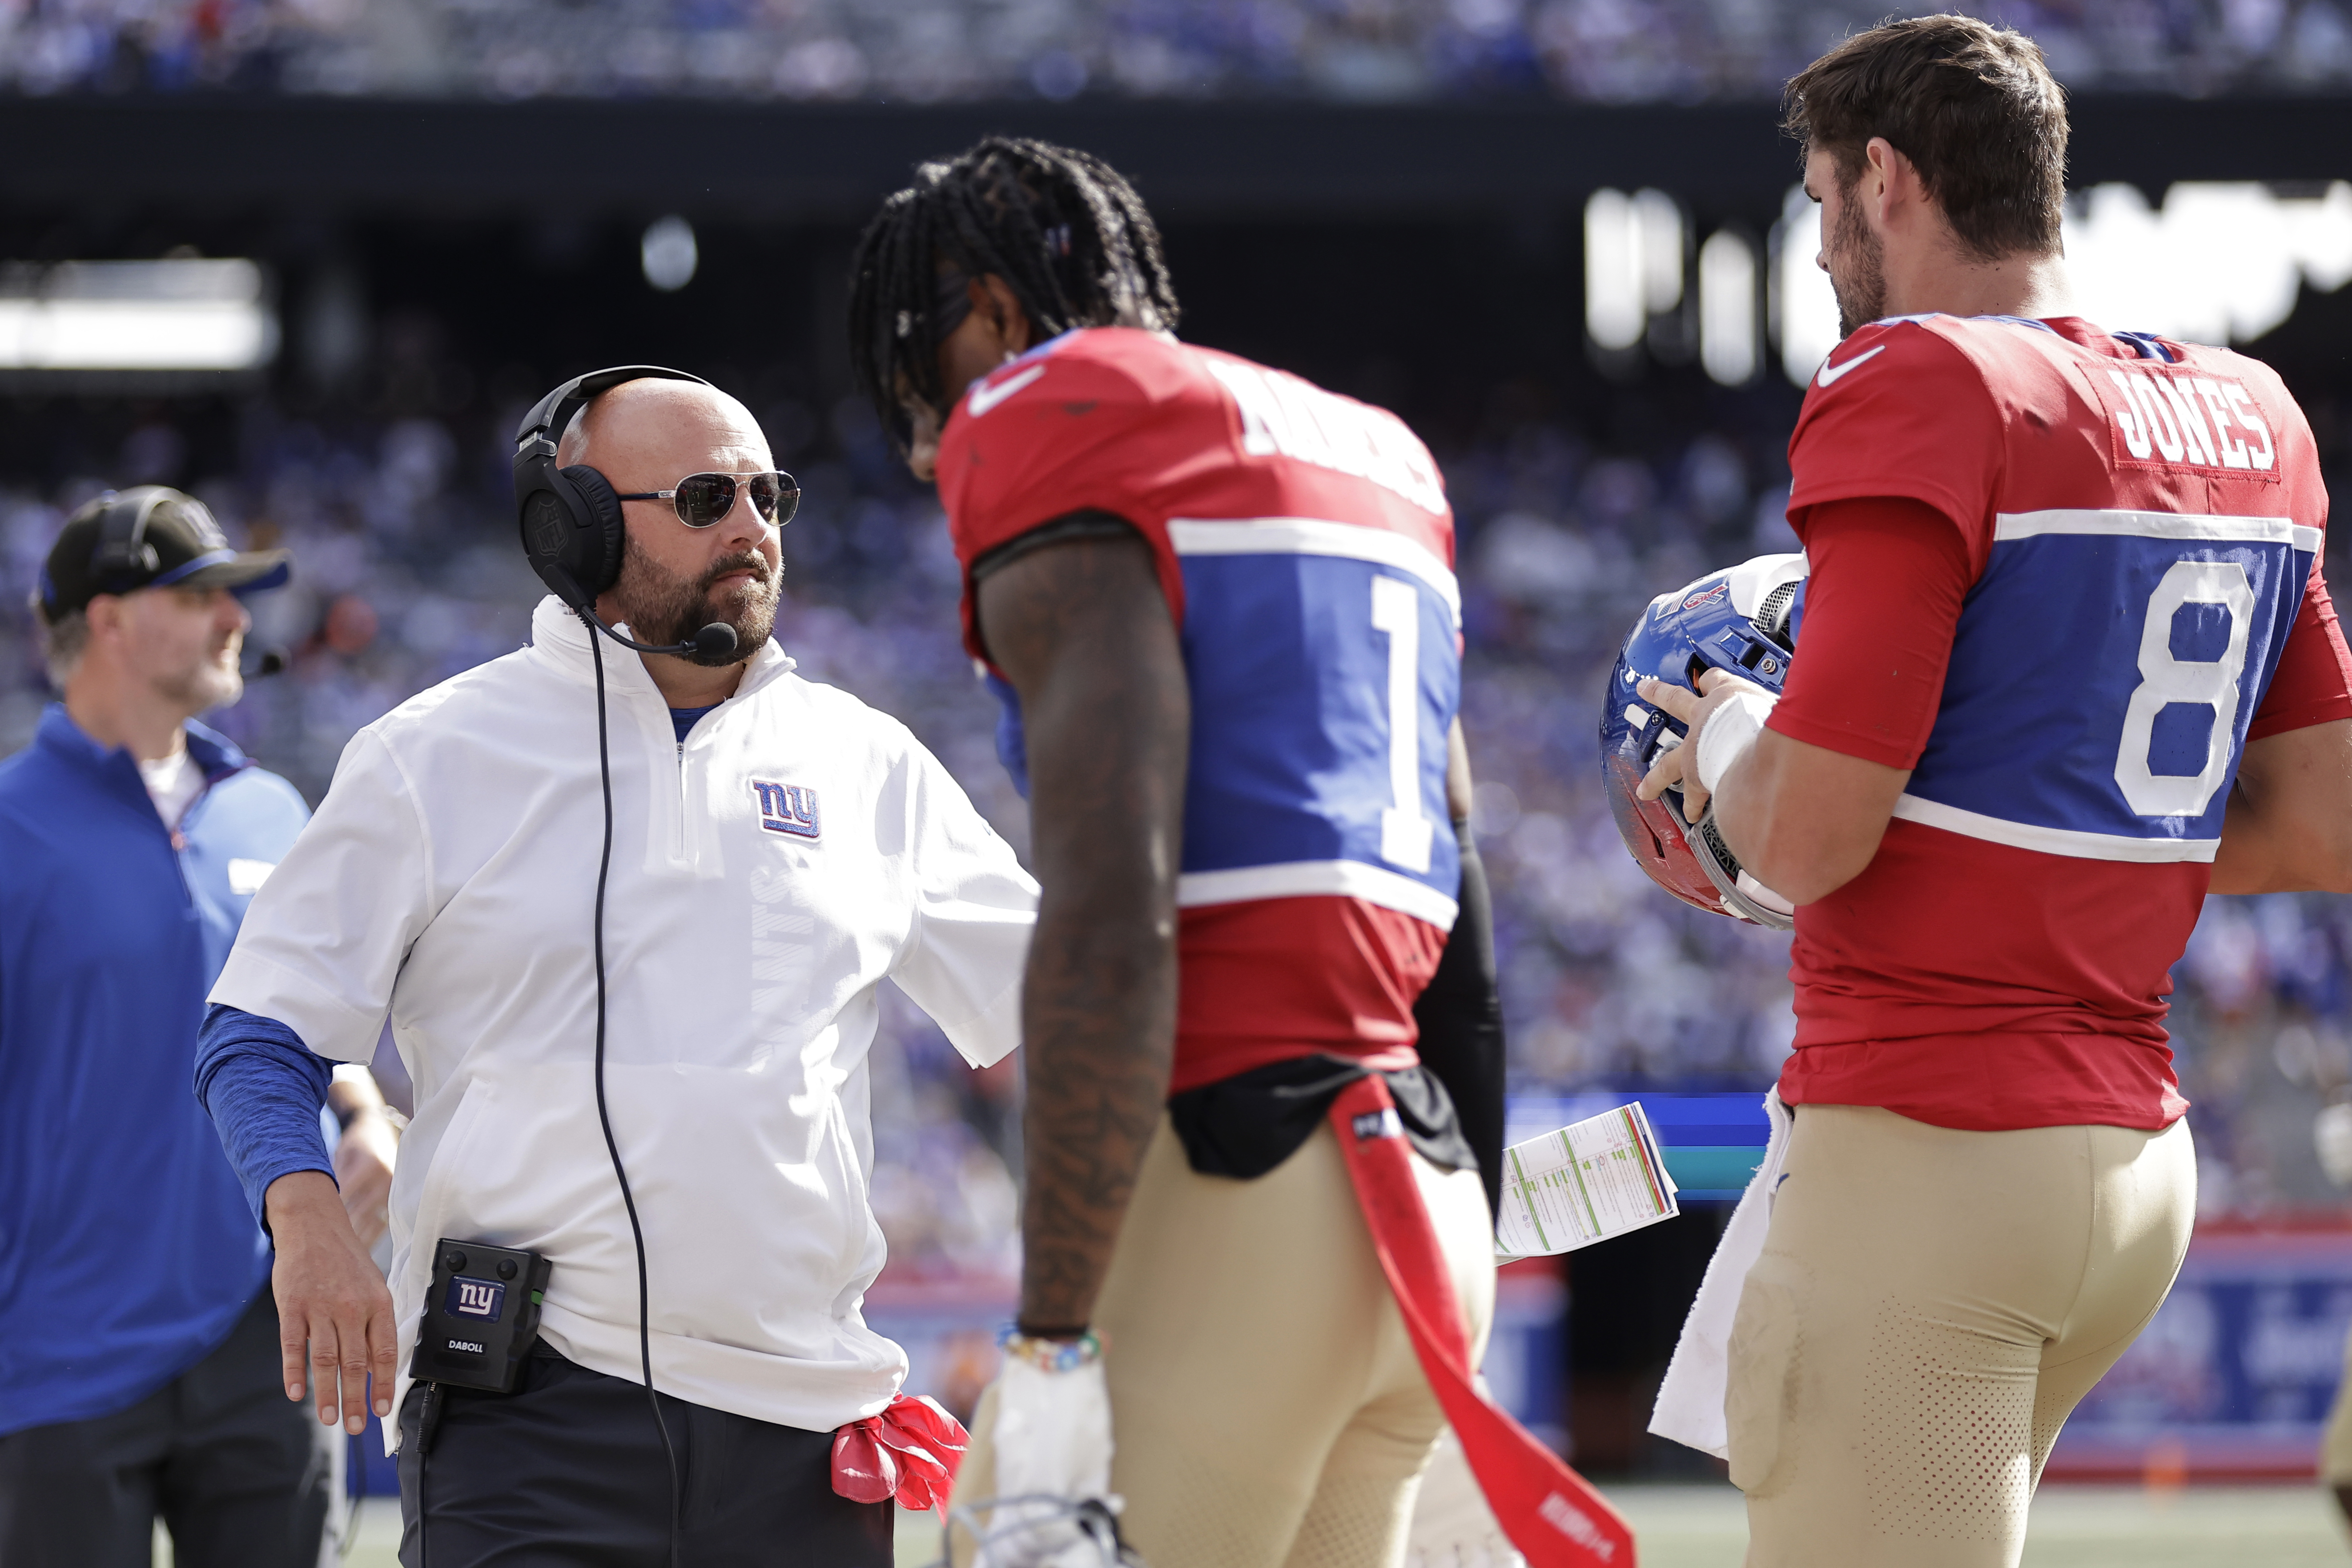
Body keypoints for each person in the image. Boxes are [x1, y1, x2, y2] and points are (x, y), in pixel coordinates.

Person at [1630, 16, 2352, 1566]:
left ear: (1886, 178)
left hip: (1933, 1147)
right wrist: (2031, 835)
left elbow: (1814, 836)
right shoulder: (2256, 419)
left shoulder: (1919, 379)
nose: (1822, 255)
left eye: (1823, 205)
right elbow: (2321, 819)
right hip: (2133, 1156)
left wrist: (1731, 743)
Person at [848, 137, 1607, 1568]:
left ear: (997, 319)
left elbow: (1116, 899)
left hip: (1233, 1183)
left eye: (917, 362)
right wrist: (1463, 1246)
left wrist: (1055, 1339)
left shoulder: (1046, 409)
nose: (920, 420)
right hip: (1415, 1193)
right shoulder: (1375, 447)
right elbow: (1469, 915)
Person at [193, 374, 1037, 1567]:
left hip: (809, 1424)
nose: (752, 527)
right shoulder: (429, 755)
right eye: (706, 496)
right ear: (571, 523)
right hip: (526, 1416)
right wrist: (310, 1219)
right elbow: (256, 1032)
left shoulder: (871, 763)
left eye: (769, 494)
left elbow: (1065, 1007)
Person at [0, 486, 398, 1568]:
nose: (237, 619)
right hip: (56, 1348)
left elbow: (314, 1022)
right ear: (110, 618)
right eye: (201, 593)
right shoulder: (8, 825)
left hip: (265, 1329)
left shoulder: (273, 808)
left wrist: (362, 1111)